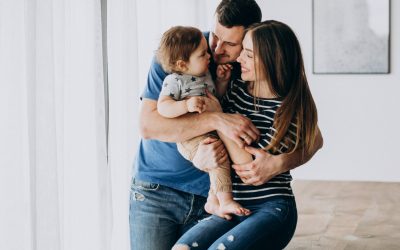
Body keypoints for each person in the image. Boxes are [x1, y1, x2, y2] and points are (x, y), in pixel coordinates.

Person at [130, 1, 323, 249]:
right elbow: (148, 126)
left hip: (218, 196)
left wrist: (280, 163)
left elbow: (313, 137)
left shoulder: (245, 69)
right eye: (215, 36)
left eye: (231, 44)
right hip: (158, 188)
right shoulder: (181, 51)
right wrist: (217, 118)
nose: (217, 49)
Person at [173, 20, 319, 250]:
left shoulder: (287, 109)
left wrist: (220, 118)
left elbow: (248, 167)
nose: (239, 59)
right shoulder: (234, 88)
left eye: (249, 55)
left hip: (271, 207)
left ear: (273, 61)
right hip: (233, 206)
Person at [156, 26, 250, 219]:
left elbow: (217, 101)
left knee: (221, 158)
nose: (210, 55)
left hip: (208, 132)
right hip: (190, 139)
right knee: (219, 160)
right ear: (182, 65)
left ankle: (213, 200)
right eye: (203, 54)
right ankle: (225, 201)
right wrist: (186, 105)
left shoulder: (205, 74)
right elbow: (163, 107)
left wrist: (221, 82)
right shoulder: (175, 80)